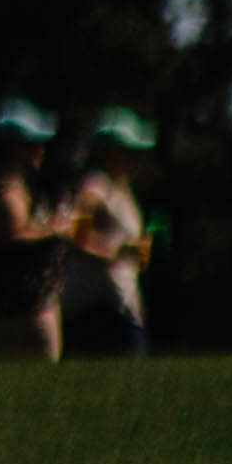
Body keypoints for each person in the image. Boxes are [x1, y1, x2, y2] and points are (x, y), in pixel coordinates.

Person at [0, 98, 69, 361]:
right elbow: (15, 233)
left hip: (11, 308)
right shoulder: (9, 186)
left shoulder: (10, 184)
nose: (41, 148)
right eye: (33, 141)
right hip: (26, 309)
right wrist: (55, 230)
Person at [56, 109, 155, 358]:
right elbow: (75, 233)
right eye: (130, 152)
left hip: (121, 304)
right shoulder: (95, 187)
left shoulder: (122, 189)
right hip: (98, 309)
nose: (137, 159)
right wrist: (117, 252)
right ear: (110, 152)